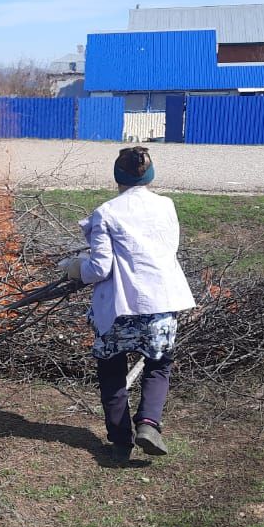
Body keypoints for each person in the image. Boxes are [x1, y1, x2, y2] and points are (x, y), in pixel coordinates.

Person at [63, 146, 196, 463]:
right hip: (161, 304)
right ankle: (149, 423)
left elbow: (100, 270)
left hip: (120, 308)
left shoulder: (106, 213)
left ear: (116, 176)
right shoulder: (167, 206)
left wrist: (74, 268)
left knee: (111, 372)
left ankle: (121, 442)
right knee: (158, 365)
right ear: (150, 176)